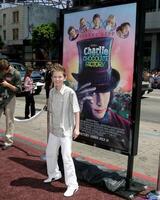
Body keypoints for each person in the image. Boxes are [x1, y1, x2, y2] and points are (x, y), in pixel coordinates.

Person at [72, 37, 131, 151]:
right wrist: (76, 108)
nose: (99, 102)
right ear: (83, 92)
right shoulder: (76, 114)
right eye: (93, 93)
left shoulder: (124, 126)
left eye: (104, 92)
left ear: (111, 92)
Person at [44, 63, 80, 197]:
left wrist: (77, 128)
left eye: (60, 77)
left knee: (66, 157)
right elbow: (51, 112)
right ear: (52, 78)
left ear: (64, 78)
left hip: (66, 131)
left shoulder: (70, 92)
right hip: (54, 130)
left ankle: (73, 185)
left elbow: (76, 111)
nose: (57, 79)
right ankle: (54, 174)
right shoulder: (52, 92)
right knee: (50, 153)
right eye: (55, 77)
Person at [0, 59, 21, 150]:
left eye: (3, 71)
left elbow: (19, 90)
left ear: (7, 68)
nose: (1, 72)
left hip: (10, 99)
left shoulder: (16, 74)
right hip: (0, 97)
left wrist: (7, 85)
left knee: (9, 121)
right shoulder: (1, 70)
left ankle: (8, 141)